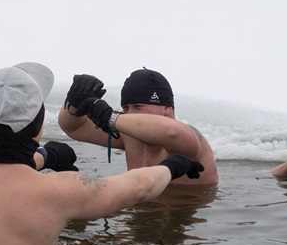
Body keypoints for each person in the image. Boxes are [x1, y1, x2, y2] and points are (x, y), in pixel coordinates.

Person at [0, 62, 205, 245]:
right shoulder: (61, 190)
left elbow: (1, 168)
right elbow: (141, 186)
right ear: (36, 124)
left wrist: (45, 156)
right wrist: (173, 166)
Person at [56, 69, 218, 185]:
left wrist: (110, 118)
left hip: (185, 216)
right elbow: (74, 128)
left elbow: (172, 132)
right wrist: (74, 103)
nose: (130, 115)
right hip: (141, 214)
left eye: (138, 107)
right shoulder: (131, 137)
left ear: (167, 109)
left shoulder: (190, 138)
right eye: (126, 108)